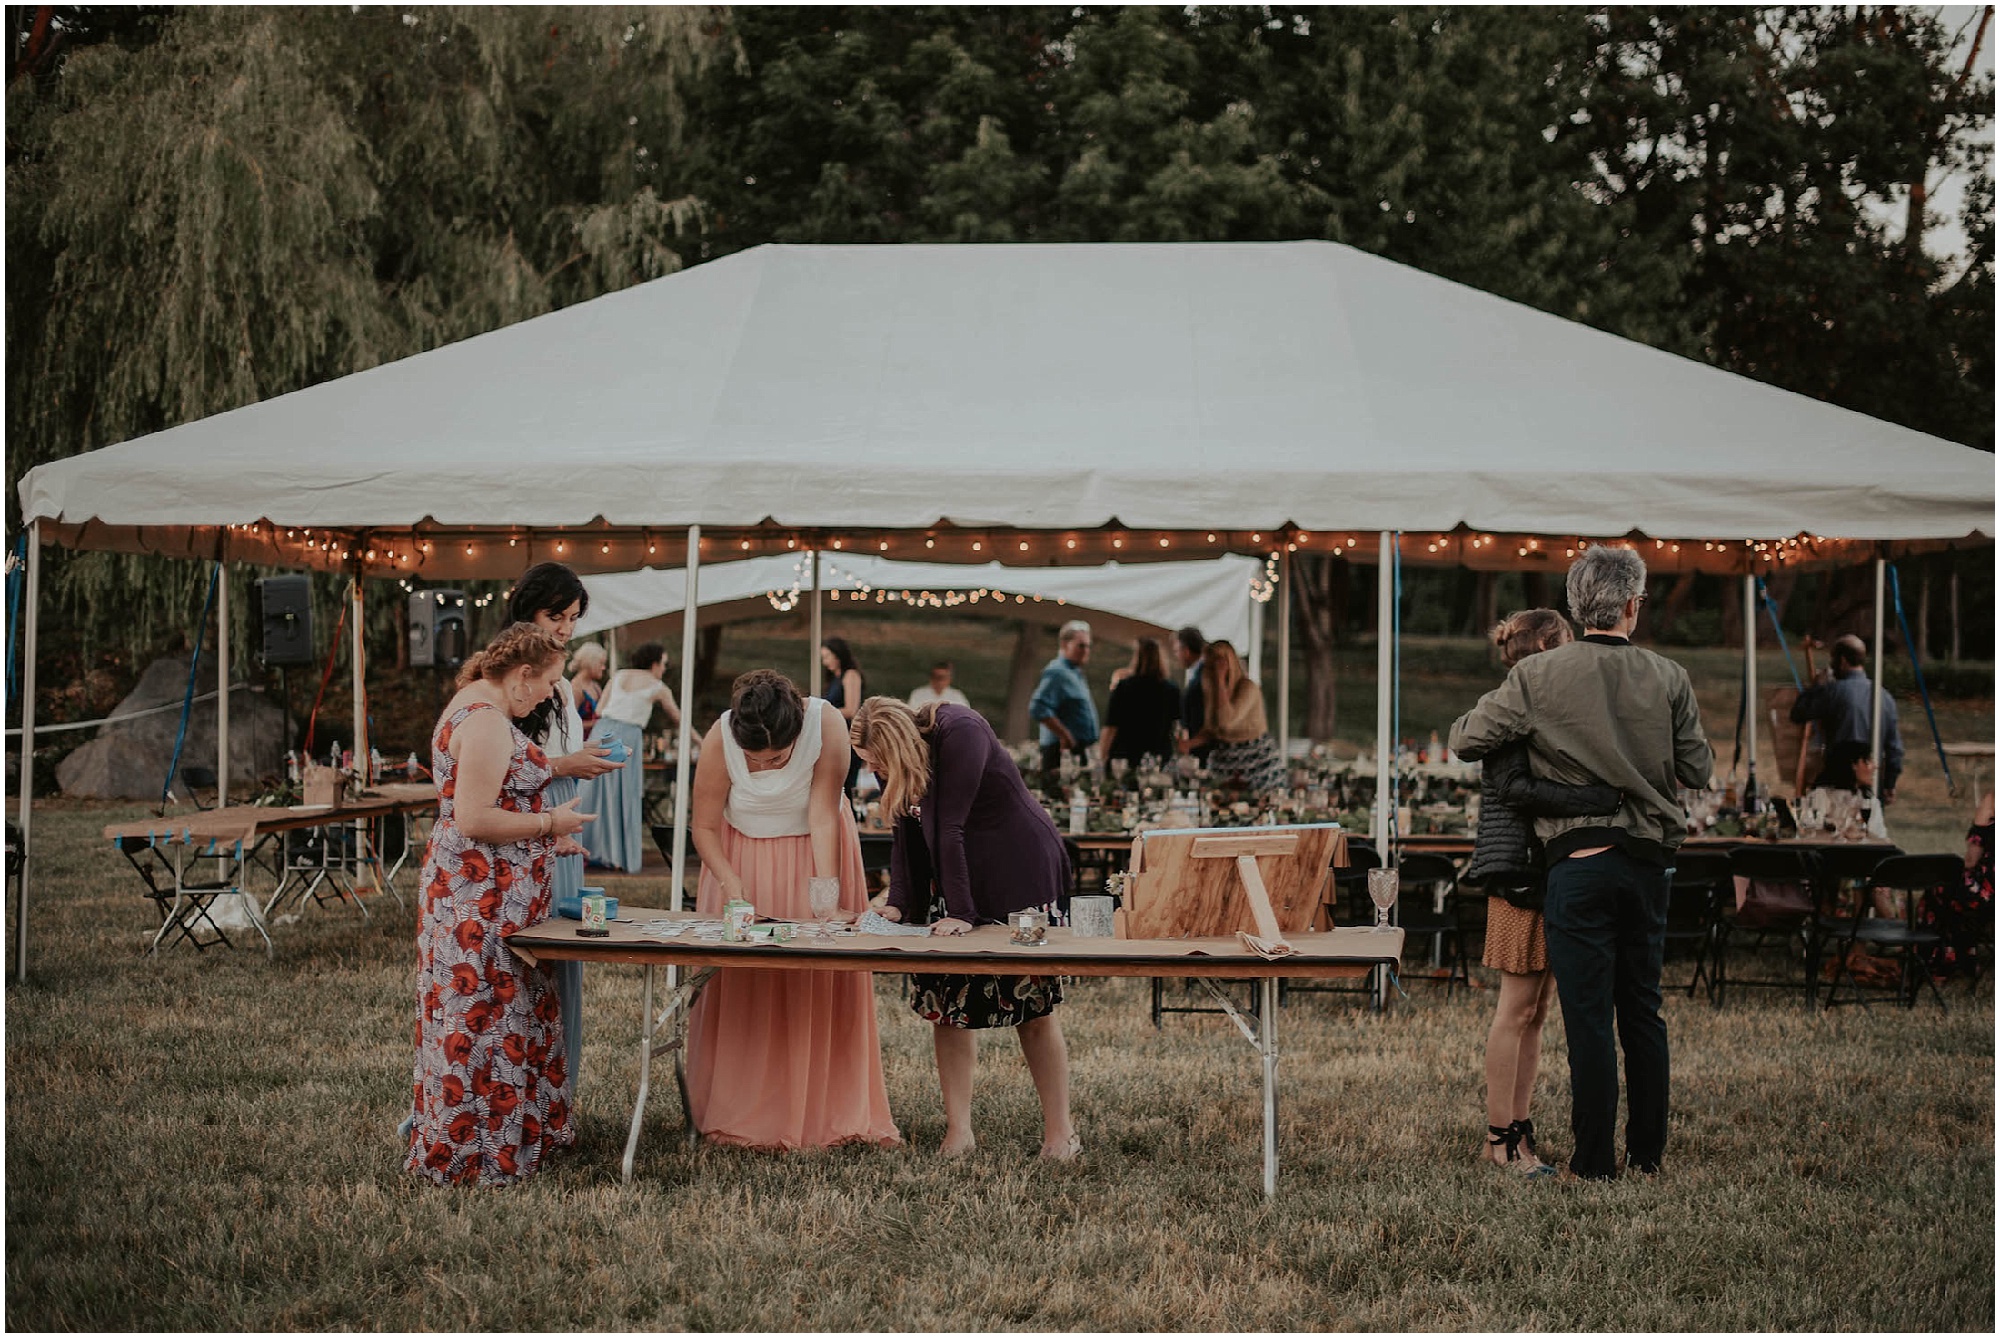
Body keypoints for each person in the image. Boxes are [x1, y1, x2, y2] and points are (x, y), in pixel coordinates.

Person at [1449, 546, 1712, 1182]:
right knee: (1643, 1012)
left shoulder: (1537, 678)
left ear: (1576, 605)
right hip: (1649, 862)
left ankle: (1593, 1163)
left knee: (1588, 1016)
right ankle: (1647, 1158)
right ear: (1631, 605)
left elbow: (1465, 739)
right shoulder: (1670, 676)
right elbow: (1697, 770)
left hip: (1579, 862)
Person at [850, 696, 1080, 1160]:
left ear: (898, 745)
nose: (872, 769)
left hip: (1017, 867)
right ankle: (959, 1134)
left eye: (876, 761)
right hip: (957, 881)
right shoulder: (886, 757)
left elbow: (950, 825)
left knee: (1032, 1007)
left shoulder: (962, 731)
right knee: (947, 1008)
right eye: (867, 762)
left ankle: (1061, 1135)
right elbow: (905, 830)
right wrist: (900, 904)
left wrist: (962, 913)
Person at [405, 623, 595, 1186]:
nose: (549, 696)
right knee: (485, 1019)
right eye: (549, 684)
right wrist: (547, 822)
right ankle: (481, 1154)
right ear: (522, 675)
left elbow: (485, 806)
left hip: (486, 889)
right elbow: (472, 818)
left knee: (500, 1014)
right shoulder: (487, 723)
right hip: (480, 901)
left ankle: (512, 1140)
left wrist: (546, 841)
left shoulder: (475, 702)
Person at [683, 670, 899, 1149]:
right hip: (740, 862)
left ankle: (824, 1112)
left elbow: (822, 810)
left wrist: (825, 897)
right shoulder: (721, 736)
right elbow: (704, 826)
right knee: (745, 986)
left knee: (814, 977)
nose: (765, 766)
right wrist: (731, 881)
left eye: (777, 757)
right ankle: (743, 1110)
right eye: (754, 759)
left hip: (814, 853)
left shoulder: (827, 725)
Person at [1462, 609, 1623, 1178]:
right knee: (1515, 1009)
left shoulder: (1544, 702)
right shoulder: (1512, 702)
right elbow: (1512, 787)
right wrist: (1595, 800)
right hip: (1519, 876)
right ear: (1553, 643)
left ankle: (1520, 1128)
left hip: (1548, 873)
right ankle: (1499, 1139)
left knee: (1537, 1010)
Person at [504, 565, 620, 1106]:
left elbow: (559, 749)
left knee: (564, 954)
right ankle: (523, 1095)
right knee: (530, 953)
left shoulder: (559, 679)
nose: (566, 629)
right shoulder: (511, 677)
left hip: (562, 809)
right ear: (526, 611)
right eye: (557, 616)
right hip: (527, 815)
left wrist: (582, 762)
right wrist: (567, 763)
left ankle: (557, 1098)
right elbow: (504, 764)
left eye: (573, 618)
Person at [580, 642, 680, 872]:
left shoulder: (619, 675)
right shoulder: (659, 687)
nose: (664, 669)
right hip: (628, 736)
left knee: (594, 792)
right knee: (624, 795)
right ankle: (616, 855)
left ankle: (587, 849)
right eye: (663, 664)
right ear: (654, 663)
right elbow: (678, 718)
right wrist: (700, 741)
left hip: (603, 731)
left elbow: (599, 710)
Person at [1789, 634, 1904, 803]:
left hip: (1838, 780)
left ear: (1842, 661)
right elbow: (1895, 748)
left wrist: (1816, 686)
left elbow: (1798, 713)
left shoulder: (1833, 692)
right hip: (1872, 781)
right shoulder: (1884, 697)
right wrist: (1889, 784)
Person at [1178, 640, 1284, 795]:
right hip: (1225, 761)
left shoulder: (1248, 688)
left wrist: (1220, 681)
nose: (1212, 671)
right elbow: (1214, 728)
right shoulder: (1212, 692)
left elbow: (1226, 721)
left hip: (1255, 760)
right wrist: (1189, 744)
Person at [1921, 791, 1994, 978]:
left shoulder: (1993, 800)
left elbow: (1971, 859)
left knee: (1938, 891)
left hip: (1988, 894)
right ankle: (1964, 957)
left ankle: (1941, 960)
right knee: (1956, 899)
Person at [1029, 620, 1099, 776]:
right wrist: (1065, 735)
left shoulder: (1075, 672)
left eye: (1088, 646)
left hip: (1077, 750)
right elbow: (1038, 707)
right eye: (1081, 646)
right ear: (1064, 644)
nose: (1086, 651)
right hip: (1061, 751)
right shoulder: (1057, 672)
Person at [1099, 637, 1180, 768]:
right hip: (1159, 756)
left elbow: (1111, 726)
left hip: (1125, 756)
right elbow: (1176, 726)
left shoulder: (1124, 687)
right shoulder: (1171, 690)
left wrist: (1102, 757)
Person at [820, 636, 867, 795]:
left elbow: (851, 709)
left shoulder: (850, 675)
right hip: (834, 736)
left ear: (838, 655)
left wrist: (823, 712)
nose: (825, 662)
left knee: (846, 787)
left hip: (846, 735)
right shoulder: (834, 678)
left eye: (827, 657)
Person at [1173, 627, 1208, 762]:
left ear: (1186, 651)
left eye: (1177, 651)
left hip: (1203, 751)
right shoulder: (1198, 675)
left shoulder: (1202, 679)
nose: (1176, 656)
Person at [567, 640, 607, 736]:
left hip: (597, 741)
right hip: (581, 744)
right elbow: (568, 724)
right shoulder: (575, 689)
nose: (603, 668)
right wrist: (595, 724)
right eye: (601, 664)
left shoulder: (595, 686)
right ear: (591, 663)